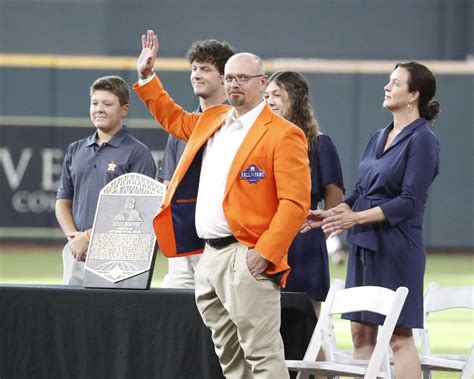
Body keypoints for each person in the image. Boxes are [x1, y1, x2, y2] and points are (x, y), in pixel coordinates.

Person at [134, 30, 311, 378]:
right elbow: (173, 118)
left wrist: (266, 252)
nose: (234, 85)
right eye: (229, 78)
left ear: (263, 83)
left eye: (243, 78)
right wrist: (146, 77)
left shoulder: (283, 133)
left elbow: (294, 203)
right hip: (210, 256)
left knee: (262, 355)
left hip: (247, 255)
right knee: (230, 358)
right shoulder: (213, 120)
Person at [303, 61, 440, 378]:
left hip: (397, 247)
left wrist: (355, 219)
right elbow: (360, 192)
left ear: (413, 95)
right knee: (360, 334)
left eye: (395, 82)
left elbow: (408, 202)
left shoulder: (423, 140)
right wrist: (331, 214)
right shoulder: (377, 136)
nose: (387, 87)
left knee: (398, 336)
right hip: (364, 243)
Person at [56, 75, 156, 286]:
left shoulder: (138, 153)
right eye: (95, 103)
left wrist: (89, 237)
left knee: (117, 318)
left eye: (107, 104)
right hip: (77, 253)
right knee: (74, 316)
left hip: (120, 255)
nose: (99, 109)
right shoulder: (75, 149)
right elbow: (63, 201)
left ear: (124, 110)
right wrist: (74, 239)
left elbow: (141, 211)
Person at [264, 71, 345, 318]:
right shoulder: (259, 140)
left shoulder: (319, 144)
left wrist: (321, 231)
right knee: (264, 320)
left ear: (296, 99)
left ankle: (313, 359)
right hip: (264, 235)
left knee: (306, 323)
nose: (270, 101)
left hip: (303, 238)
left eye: (277, 94)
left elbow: (335, 195)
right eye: (266, 95)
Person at [158, 39, 235, 289]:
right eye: (194, 68)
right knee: (176, 314)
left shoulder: (237, 126)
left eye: (205, 69)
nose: (197, 75)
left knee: (220, 320)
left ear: (225, 78)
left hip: (222, 241)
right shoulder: (181, 128)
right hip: (184, 243)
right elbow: (169, 184)